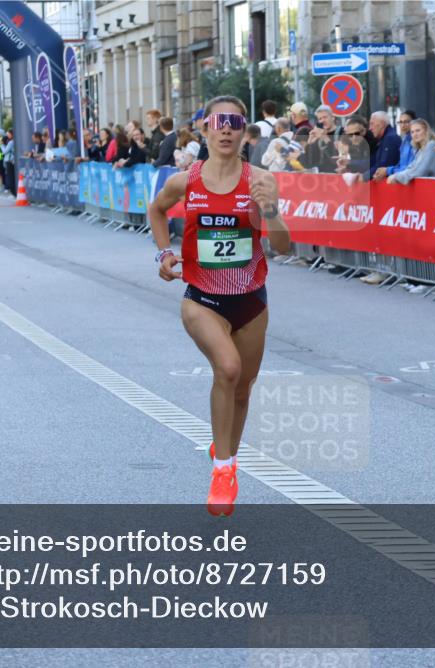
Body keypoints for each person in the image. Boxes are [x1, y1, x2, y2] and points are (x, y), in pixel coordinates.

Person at [147, 95, 291, 516]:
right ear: (205, 130)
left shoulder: (260, 179)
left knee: (242, 389)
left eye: (235, 122)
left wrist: (271, 212)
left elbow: (282, 247)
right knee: (226, 369)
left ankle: (224, 445)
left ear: (244, 133)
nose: (226, 129)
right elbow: (156, 212)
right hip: (201, 299)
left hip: (250, 300)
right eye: (218, 122)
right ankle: (224, 469)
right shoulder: (184, 180)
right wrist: (163, 254)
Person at [386, 119, 435, 184]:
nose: (415, 134)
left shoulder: (431, 145)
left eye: (418, 130)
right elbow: (411, 168)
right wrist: (397, 175)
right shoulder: (419, 149)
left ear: (426, 130)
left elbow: (420, 170)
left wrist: (397, 177)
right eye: (412, 132)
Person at [380, 110, 417, 180]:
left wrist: (388, 170)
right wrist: (388, 170)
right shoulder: (404, 141)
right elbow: (400, 165)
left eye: (406, 122)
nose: (403, 125)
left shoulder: (416, 141)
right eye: (400, 122)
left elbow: (410, 167)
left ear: (414, 122)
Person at [304, 104, 341, 173]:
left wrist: (325, 138)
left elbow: (336, 158)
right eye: (320, 119)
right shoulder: (318, 136)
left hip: (337, 175)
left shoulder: (342, 132)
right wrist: (310, 143)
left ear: (333, 117)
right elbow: (309, 162)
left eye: (325, 117)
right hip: (321, 176)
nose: (322, 121)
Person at [366, 110, 401, 181]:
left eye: (372, 124)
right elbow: (374, 162)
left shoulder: (390, 138)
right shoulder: (383, 139)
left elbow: (383, 164)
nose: (370, 128)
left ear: (382, 124)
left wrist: (363, 176)